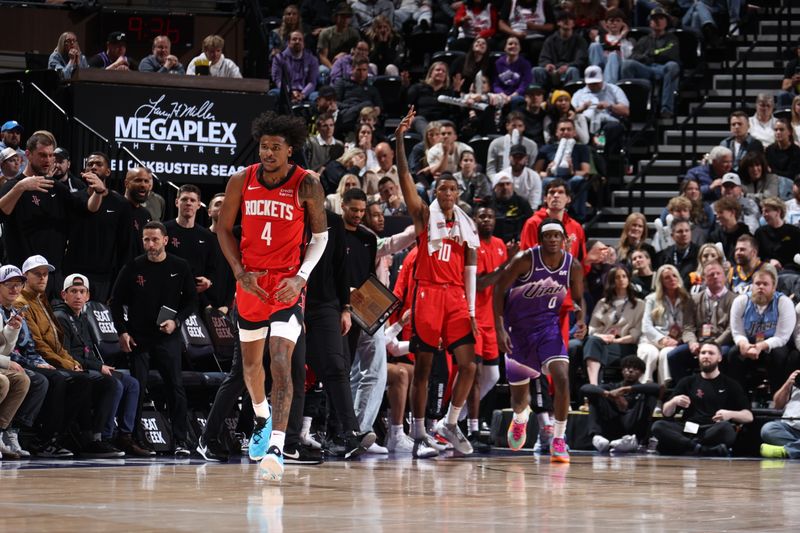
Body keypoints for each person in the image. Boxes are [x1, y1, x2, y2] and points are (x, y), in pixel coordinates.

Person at [216, 111, 327, 480]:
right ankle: (262, 417)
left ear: (289, 149)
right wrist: (238, 272)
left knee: (280, 360)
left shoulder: (306, 183)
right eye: (264, 146)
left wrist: (300, 278)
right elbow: (223, 229)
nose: (268, 153)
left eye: (275, 147)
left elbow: (320, 237)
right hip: (251, 283)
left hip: (286, 286)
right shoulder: (241, 180)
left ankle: (277, 446)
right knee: (251, 368)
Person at [395, 107, 480, 458]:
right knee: (424, 369)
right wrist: (400, 141)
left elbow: (470, 269)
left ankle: (450, 421)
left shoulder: (466, 225)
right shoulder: (423, 215)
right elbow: (404, 177)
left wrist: (471, 311)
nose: (448, 193)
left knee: (469, 364)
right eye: (443, 188)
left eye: (452, 189)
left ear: (458, 193)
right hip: (428, 293)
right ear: (435, 191)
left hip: (456, 297)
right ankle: (418, 433)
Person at [494, 217, 586, 463]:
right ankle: (520, 418)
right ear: (540, 239)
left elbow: (579, 298)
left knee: (562, 377)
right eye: (548, 236)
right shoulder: (525, 259)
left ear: (564, 239)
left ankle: (558, 438)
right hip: (518, 332)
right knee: (519, 399)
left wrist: (581, 318)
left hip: (548, 329)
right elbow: (498, 290)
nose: (553, 240)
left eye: (557, 235)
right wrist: (500, 329)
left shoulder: (573, 265)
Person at [18, 255, 124, 458]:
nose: (42, 277)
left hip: (51, 359)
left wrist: (71, 362)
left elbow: (57, 343)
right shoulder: (23, 303)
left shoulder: (42, 300)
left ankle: (90, 438)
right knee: (74, 380)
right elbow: (38, 343)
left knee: (97, 380)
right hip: (35, 360)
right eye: (37, 274)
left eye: (45, 274)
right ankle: (49, 438)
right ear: (25, 276)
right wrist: (67, 363)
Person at [110, 222, 197, 457]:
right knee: (137, 388)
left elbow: (191, 301)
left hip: (168, 336)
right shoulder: (133, 267)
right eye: (146, 240)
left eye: (155, 239)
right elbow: (115, 302)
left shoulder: (180, 266)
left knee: (175, 387)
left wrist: (176, 322)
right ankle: (134, 438)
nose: (150, 244)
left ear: (165, 240)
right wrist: (122, 332)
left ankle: (180, 440)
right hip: (139, 338)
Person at [53, 273, 151, 456]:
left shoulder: (83, 317)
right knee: (113, 383)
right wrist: (98, 367)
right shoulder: (60, 317)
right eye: (73, 291)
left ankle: (125, 436)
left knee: (132, 384)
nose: (78, 296)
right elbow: (66, 355)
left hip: (91, 367)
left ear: (88, 296)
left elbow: (90, 350)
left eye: (82, 291)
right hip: (75, 370)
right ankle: (101, 437)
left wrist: (99, 365)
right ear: (63, 294)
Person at [0, 131, 106, 296]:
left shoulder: (56, 187)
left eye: (51, 156)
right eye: (42, 155)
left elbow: (87, 209)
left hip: (52, 275)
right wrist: (21, 187)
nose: (48, 160)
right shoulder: (13, 186)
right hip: (23, 274)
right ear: (28, 154)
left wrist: (98, 192)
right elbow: (2, 212)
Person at [651, 342, 753, 456]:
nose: (706, 356)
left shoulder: (731, 384)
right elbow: (666, 412)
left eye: (711, 353)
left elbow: (748, 416)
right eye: (703, 353)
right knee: (658, 426)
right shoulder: (687, 382)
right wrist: (674, 401)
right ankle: (702, 449)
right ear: (699, 356)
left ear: (719, 358)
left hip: (712, 428)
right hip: (689, 428)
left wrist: (730, 414)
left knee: (726, 428)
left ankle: (686, 446)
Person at [62, 152, 135, 303]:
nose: (94, 167)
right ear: (84, 170)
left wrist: (120, 282)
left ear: (108, 172)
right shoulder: (74, 199)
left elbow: (125, 246)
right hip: (73, 273)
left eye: (99, 164)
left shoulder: (120, 204)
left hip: (104, 277)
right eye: (90, 164)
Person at [727, 264, 798, 396]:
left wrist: (761, 346)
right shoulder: (740, 301)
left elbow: (782, 337)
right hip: (749, 343)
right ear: (752, 285)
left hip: (774, 344)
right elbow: (737, 332)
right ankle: (739, 398)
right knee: (733, 354)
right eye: (757, 283)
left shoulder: (783, 303)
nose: (760, 287)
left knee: (779, 356)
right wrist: (744, 344)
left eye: (765, 284)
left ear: (774, 287)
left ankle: (777, 398)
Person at [581, 355, 661, 454]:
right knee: (595, 395)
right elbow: (585, 388)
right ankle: (597, 437)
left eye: (635, 368)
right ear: (622, 370)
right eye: (627, 367)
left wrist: (626, 389)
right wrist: (609, 394)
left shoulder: (643, 389)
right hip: (613, 424)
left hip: (633, 429)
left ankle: (636, 441)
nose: (630, 370)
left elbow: (658, 388)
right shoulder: (612, 386)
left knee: (651, 396)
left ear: (642, 373)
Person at [583, 265, 645, 386]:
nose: (621, 279)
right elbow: (593, 328)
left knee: (593, 346)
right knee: (591, 343)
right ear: (612, 281)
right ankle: (594, 385)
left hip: (624, 345)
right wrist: (603, 337)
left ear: (629, 279)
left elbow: (636, 333)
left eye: (624, 276)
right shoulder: (602, 303)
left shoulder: (639, 304)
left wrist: (616, 340)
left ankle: (593, 386)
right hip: (602, 341)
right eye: (617, 277)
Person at [637, 264, 696, 386]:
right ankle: (644, 387)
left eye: (674, 276)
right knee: (649, 353)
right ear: (661, 281)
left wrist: (679, 340)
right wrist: (662, 339)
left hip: (675, 341)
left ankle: (664, 388)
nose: (672, 279)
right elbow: (646, 326)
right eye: (667, 277)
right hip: (652, 340)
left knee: (666, 354)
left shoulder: (687, 299)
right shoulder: (651, 299)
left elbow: (689, 325)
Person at [164, 184, 220, 308]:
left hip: (195, 298)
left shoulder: (207, 236)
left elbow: (213, 268)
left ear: (198, 205)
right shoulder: (164, 230)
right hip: (166, 295)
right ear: (177, 202)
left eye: (192, 200)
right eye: (184, 199)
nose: (188, 203)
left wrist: (208, 281)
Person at [620, 7, 680, 119]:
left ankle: (666, 109)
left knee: (673, 66)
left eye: (661, 18)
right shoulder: (644, 40)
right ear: (650, 22)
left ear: (666, 22)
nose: (657, 21)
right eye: (654, 19)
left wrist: (651, 55)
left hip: (664, 68)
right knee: (628, 64)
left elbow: (671, 55)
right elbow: (634, 56)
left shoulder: (672, 39)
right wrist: (645, 57)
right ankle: (629, 107)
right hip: (646, 68)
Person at [534, 118, 592, 221]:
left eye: (569, 129)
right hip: (552, 177)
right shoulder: (546, 148)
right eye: (562, 129)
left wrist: (572, 171)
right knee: (546, 181)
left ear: (574, 132)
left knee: (579, 180)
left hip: (572, 177)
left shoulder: (582, 148)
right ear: (556, 132)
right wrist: (547, 172)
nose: (565, 132)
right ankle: (545, 212)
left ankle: (578, 216)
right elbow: (536, 172)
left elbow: (586, 172)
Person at [571, 65, 630, 153]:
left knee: (612, 128)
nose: (593, 85)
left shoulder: (614, 90)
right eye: (591, 83)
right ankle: (588, 153)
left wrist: (610, 106)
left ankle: (605, 155)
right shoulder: (579, 94)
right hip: (586, 123)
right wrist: (582, 108)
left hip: (608, 123)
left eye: (596, 83)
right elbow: (571, 113)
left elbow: (626, 111)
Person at [532, 11, 588, 91]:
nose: (567, 21)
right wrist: (547, 65)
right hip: (553, 71)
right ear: (558, 23)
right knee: (536, 70)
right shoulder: (550, 40)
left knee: (572, 70)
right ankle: (539, 95)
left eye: (570, 19)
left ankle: (572, 95)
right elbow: (543, 58)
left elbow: (581, 60)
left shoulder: (580, 40)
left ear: (573, 24)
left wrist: (567, 66)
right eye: (563, 19)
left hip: (569, 69)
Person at [497, 0, 555, 66]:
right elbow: (501, 24)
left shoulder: (544, 3)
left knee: (537, 47)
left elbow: (551, 26)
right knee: (504, 46)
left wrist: (535, 27)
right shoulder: (510, 2)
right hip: (515, 35)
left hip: (536, 37)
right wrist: (515, 33)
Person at [406, 62, 458, 137]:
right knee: (418, 119)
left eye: (443, 71)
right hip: (421, 121)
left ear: (446, 76)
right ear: (431, 73)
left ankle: (429, 140)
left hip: (441, 122)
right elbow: (407, 105)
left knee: (447, 123)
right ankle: (431, 138)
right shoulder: (418, 88)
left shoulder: (449, 92)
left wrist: (457, 93)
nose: (440, 72)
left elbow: (455, 112)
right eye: (438, 70)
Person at [334, 59, 383, 135]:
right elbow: (335, 103)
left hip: (365, 117)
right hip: (347, 115)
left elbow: (378, 107)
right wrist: (352, 107)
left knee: (368, 106)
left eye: (364, 70)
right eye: (359, 70)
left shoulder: (372, 89)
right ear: (352, 69)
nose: (361, 73)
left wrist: (371, 113)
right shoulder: (342, 83)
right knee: (367, 103)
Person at [760, 369, 800, 458]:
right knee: (768, 429)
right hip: (789, 428)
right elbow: (777, 405)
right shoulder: (797, 379)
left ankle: (787, 451)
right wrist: (788, 383)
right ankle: (795, 448)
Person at [270, 31, 320, 104]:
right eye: (294, 39)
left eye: (300, 40)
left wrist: (303, 94)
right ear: (288, 42)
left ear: (303, 43)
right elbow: (277, 80)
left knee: (317, 96)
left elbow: (312, 82)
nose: (297, 41)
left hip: (304, 92)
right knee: (273, 93)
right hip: (285, 91)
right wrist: (290, 92)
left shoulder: (312, 60)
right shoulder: (279, 58)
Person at [587, 8, 632, 84]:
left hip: (617, 69)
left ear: (622, 23)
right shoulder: (599, 38)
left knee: (613, 55)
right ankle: (595, 78)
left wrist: (622, 37)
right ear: (606, 23)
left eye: (618, 21)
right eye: (611, 21)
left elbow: (627, 58)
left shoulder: (626, 41)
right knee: (594, 45)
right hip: (602, 67)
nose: (615, 23)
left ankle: (609, 85)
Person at [486, 112, 538, 177]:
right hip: (500, 178)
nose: (517, 129)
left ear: (524, 127)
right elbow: (490, 169)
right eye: (514, 126)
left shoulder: (532, 145)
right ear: (507, 126)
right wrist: (496, 180)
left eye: (520, 126)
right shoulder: (496, 144)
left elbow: (531, 168)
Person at [491, 173, 534, 243]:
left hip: (517, 242)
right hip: (494, 242)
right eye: (501, 185)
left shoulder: (522, 203)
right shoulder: (488, 203)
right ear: (495, 188)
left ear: (512, 186)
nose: (505, 187)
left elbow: (530, 225)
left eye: (508, 184)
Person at [317, 3, 360, 71]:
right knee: (322, 69)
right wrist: (333, 69)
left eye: (348, 17)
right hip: (330, 64)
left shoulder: (354, 33)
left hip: (348, 64)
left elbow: (357, 54)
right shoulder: (326, 33)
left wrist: (345, 55)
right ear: (336, 17)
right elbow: (323, 57)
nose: (345, 19)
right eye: (343, 16)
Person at [492, 36, 532, 108]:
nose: (513, 46)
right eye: (510, 44)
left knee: (516, 100)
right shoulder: (498, 63)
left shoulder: (525, 64)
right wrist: (502, 95)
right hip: (501, 95)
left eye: (516, 44)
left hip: (518, 95)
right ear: (505, 48)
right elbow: (496, 84)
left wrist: (512, 96)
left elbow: (525, 84)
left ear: (520, 48)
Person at [657, 218, 699, 288]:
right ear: (672, 235)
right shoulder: (664, 255)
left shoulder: (699, 253)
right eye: (680, 231)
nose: (684, 234)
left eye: (687, 231)